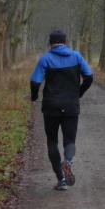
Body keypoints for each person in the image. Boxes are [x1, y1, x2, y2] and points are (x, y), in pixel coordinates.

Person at [30, 30, 93, 191]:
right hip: (71, 105)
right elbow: (89, 76)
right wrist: (79, 92)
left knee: (52, 141)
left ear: (50, 43)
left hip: (51, 106)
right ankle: (68, 161)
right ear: (65, 42)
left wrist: (34, 96)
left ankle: (61, 180)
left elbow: (35, 81)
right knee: (69, 140)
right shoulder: (76, 56)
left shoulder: (45, 59)